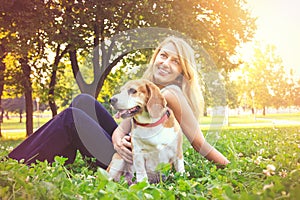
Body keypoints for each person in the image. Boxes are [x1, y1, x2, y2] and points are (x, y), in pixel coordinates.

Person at [8, 36, 229, 169]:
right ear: (155, 57)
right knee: (83, 101)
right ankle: (52, 155)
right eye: (163, 56)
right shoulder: (148, 89)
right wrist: (116, 139)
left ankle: (14, 162)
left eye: (175, 61)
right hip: (124, 150)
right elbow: (122, 125)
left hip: (134, 164)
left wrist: (230, 166)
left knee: (71, 118)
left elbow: (200, 143)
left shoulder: (172, 93)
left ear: (183, 70)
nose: (166, 63)